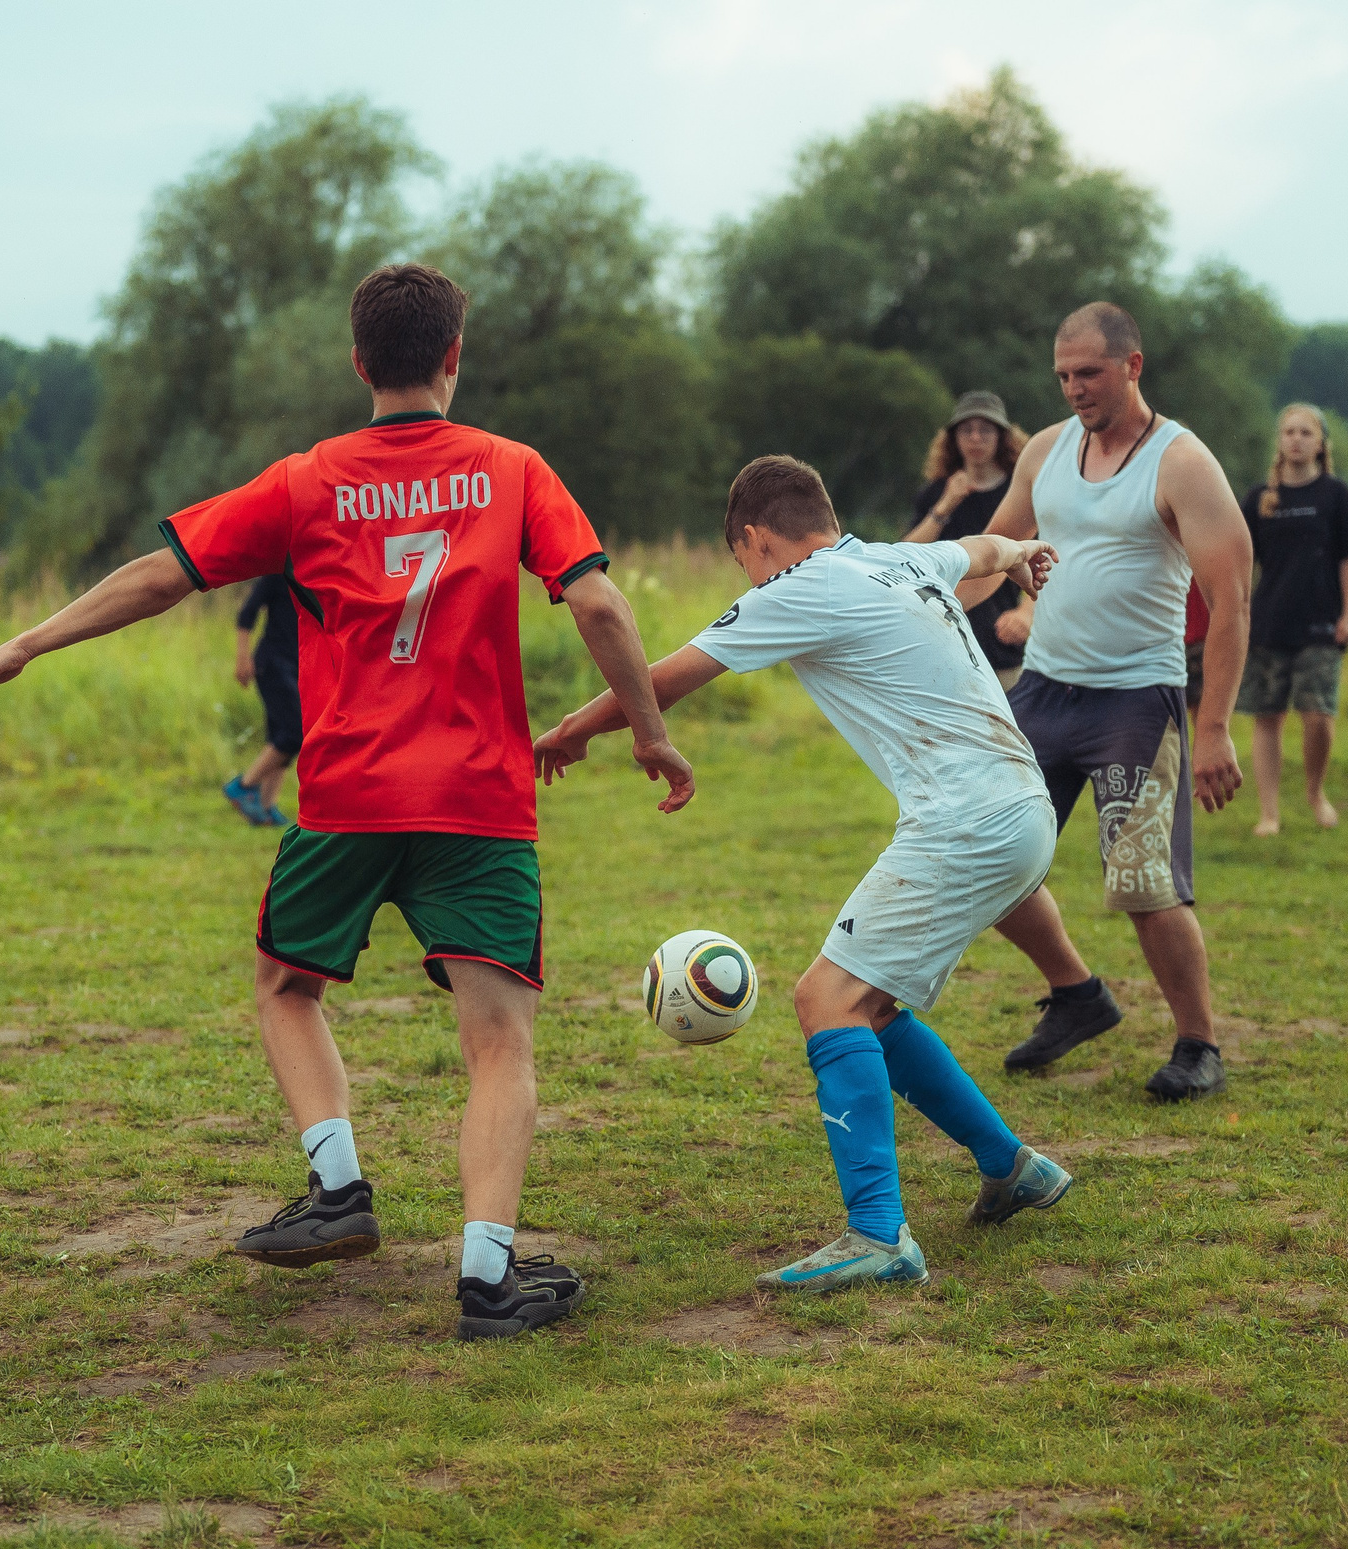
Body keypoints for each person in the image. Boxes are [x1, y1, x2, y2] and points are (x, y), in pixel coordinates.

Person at [0, 264, 691, 1340]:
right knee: (497, 1039)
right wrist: (649, 733)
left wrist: (25, 642)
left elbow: (164, 573)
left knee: (286, 984)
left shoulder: (307, 480)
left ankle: (338, 1186)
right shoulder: (512, 470)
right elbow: (601, 604)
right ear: (452, 357)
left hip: (347, 791)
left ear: (355, 363)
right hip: (477, 797)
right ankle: (488, 1278)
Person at [536, 456, 1074, 1291]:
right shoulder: (900, 556)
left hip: (967, 818)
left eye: (741, 561)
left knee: (826, 998)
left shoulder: (800, 587)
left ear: (754, 539)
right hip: (1021, 810)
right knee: (872, 1004)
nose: (747, 578)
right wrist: (1022, 550)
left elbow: (667, 676)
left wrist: (573, 728)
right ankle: (1011, 1167)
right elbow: (979, 548)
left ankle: (877, 1234)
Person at [980, 302, 1253, 1102]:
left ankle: (1198, 1043)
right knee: (985, 851)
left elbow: (1231, 599)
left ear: (1132, 366)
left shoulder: (1182, 461)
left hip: (1138, 699)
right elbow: (994, 551)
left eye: (1089, 373)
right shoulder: (1044, 451)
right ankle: (1076, 994)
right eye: (1063, 375)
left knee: (1141, 882)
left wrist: (1213, 729)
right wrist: (916, 601)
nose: (1073, 389)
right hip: (1043, 690)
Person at [1238, 403, 1348, 835]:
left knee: (1318, 715)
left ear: (1320, 443)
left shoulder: (1336, 496)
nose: (1296, 439)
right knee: (1267, 717)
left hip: (1322, 625)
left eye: (1305, 433)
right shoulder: (1260, 500)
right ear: (1279, 441)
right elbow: (1239, 559)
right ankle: (1269, 813)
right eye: (1289, 431)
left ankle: (1315, 791)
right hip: (1269, 623)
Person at [904, 391, 1035, 687]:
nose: (975, 438)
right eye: (967, 430)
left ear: (1002, 437)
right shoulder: (935, 492)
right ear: (953, 438)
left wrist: (1026, 614)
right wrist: (943, 507)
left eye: (985, 430)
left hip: (1002, 645)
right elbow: (904, 558)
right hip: (940, 643)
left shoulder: (1020, 494)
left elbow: (1046, 559)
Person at [222, 577, 303, 827]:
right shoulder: (278, 574)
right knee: (294, 733)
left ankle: (267, 807)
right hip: (272, 664)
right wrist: (242, 658)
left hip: (298, 665)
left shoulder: (317, 572)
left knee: (279, 737)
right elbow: (246, 614)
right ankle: (243, 786)